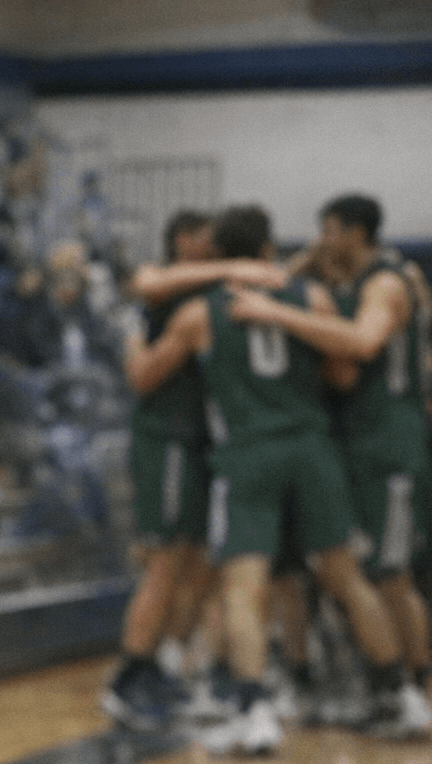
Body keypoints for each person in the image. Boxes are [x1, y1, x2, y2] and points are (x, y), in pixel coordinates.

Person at [128, 205, 404, 754]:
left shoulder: (202, 314)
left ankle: (255, 711)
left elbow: (146, 376)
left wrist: (132, 337)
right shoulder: (313, 298)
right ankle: (398, 692)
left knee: (243, 586)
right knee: (346, 577)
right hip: (311, 445)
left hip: (247, 454)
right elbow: (344, 372)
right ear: (268, 249)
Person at [226, 193, 432, 738]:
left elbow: (363, 344)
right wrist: (292, 269)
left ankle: (414, 689)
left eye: (328, 231)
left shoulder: (387, 282)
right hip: (355, 440)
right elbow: (279, 277)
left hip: (390, 440)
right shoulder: (343, 281)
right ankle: (380, 688)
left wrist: (278, 312)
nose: (320, 242)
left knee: (391, 574)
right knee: (357, 570)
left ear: (353, 234)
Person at [103, 209, 290, 729]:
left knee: (198, 563)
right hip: (168, 438)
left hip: (203, 443)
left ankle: (164, 663)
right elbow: (145, 288)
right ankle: (128, 678)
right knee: (164, 561)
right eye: (208, 244)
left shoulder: (215, 293)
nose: (217, 255)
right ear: (184, 239)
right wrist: (232, 267)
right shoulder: (165, 283)